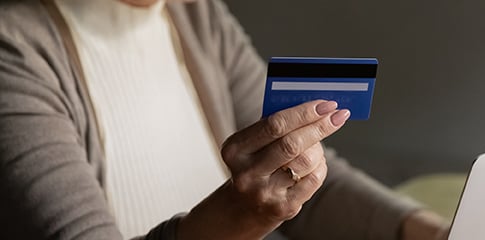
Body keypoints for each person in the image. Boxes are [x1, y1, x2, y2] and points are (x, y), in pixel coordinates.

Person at [0, 0, 448, 239]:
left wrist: (431, 232)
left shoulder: (196, 15)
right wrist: (239, 217)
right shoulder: (15, 48)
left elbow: (311, 183)